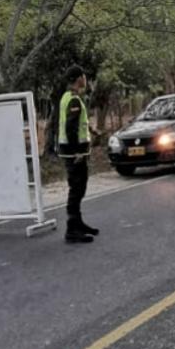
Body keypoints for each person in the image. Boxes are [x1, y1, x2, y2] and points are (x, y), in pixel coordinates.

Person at [58, 65, 99, 243]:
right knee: (76, 188)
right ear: (78, 79)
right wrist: (77, 152)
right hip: (74, 153)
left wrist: (91, 131)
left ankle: (78, 222)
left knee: (79, 187)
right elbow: (70, 127)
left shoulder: (68, 97)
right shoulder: (73, 99)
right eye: (83, 76)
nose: (85, 79)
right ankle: (71, 229)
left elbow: (77, 124)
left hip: (73, 151)